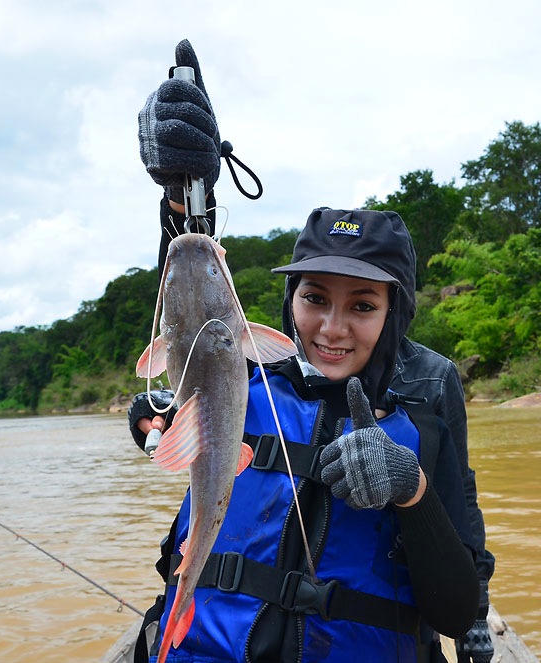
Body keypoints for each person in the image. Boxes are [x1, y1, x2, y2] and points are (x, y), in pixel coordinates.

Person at [130, 39, 493, 662]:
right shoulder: (241, 366)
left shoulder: (429, 392)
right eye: (314, 298)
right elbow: (189, 298)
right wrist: (177, 189)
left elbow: (459, 610)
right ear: (287, 301)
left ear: (395, 312)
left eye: (363, 306)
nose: (332, 328)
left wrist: (411, 490)